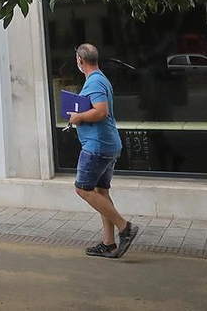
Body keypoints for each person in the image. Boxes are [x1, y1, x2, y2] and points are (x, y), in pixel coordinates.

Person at [66, 43, 138, 259]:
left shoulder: (95, 82)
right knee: (101, 192)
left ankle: (125, 227)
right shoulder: (99, 79)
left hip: (97, 147)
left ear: (80, 59)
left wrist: (78, 117)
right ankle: (109, 243)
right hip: (107, 145)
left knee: (82, 189)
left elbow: (101, 111)